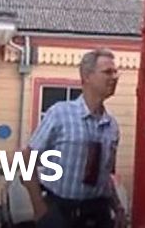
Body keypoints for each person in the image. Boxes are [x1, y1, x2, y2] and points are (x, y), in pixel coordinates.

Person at [23, 48, 127, 228]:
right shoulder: (60, 113)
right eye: (107, 72)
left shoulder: (111, 126)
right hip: (60, 210)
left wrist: (117, 208)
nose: (114, 77)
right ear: (87, 76)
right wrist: (38, 206)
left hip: (97, 212)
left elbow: (106, 176)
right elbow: (26, 159)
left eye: (115, 72)